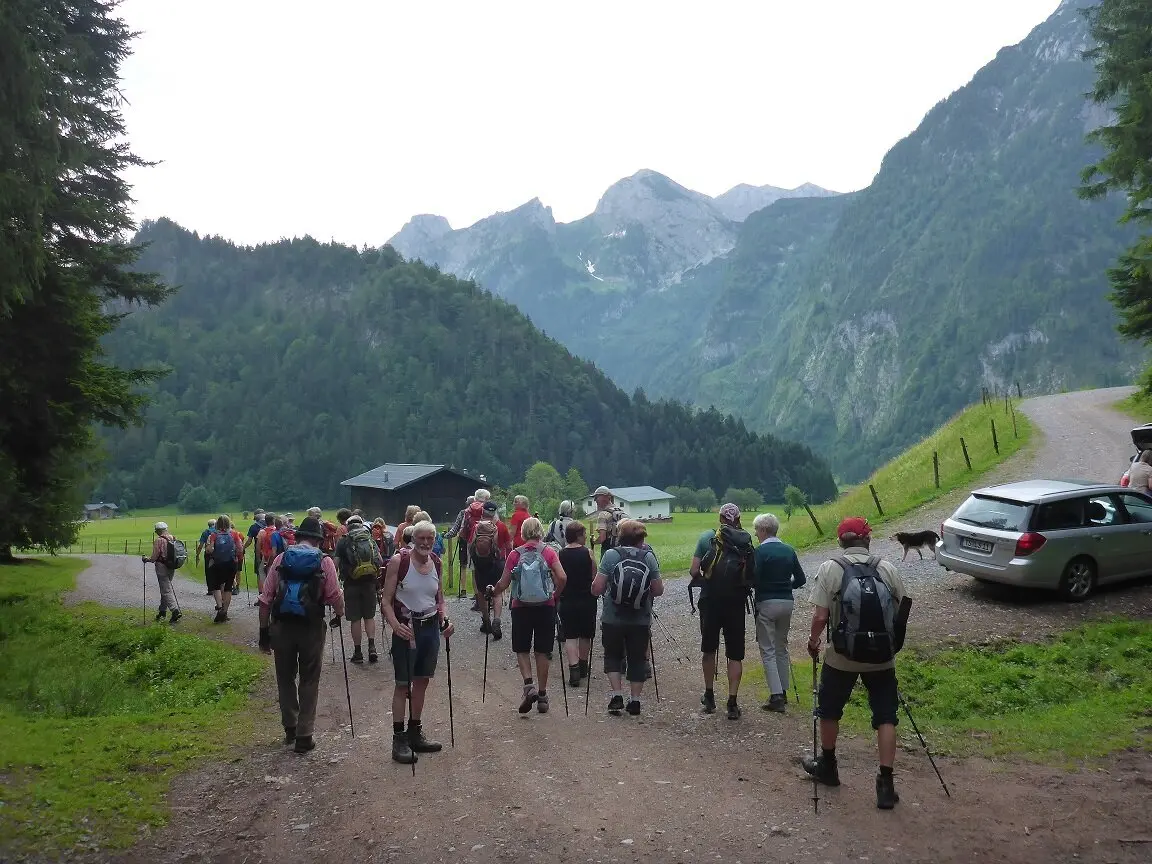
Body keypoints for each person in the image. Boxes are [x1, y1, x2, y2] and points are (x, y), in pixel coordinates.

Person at [804, 517, 909, 810]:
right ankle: (885, 784)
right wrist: (890, 645)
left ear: (840, 542)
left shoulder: (830, 568)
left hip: (841, 657)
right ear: (867, 540)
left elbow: (821, 617)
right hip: (881, 658)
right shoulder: (886, 568)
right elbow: (901, 610)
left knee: (829, 710)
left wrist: (813, 642)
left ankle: (828, 766)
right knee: (886, 716)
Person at [258, 516, 345, 754]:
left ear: (297, 537)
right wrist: (339, 614)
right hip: (311, 627)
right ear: (318, 539)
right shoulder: (324, 562)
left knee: (285, 677)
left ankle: (290, 727)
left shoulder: (281, 559)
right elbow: (334, 596)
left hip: (282, 626)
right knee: (309, 679)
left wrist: (264, 632)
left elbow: (266, 599)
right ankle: (305, 735)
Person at [380, 520, 456, 764]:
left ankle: (415, 732)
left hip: (430, 628)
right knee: (403, 685)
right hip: (407, 630)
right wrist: (395, 626)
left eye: (430, 539)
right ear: (413, 538)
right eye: (421, 538)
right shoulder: (399, 562)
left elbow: (439, 598)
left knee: (422, 682)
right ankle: (399, 740)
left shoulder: (436, 562)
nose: (425, 543)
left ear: (434, 540)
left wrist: (445, 621)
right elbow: (386, 601)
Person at [489, 517, 567, 714]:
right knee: (542, 651)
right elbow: (563, 577)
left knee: (522, 648)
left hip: (521, 606)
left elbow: (504, 583)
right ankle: (542, 695)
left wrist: (493, 590)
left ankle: (528, 685)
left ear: (523, 533)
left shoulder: (516, 554)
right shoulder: (549, 552)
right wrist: (555, 594)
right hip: (545, 606)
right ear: (541, 532)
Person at [689, 502, 754, 720]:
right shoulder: (746, 540)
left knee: (709, 649)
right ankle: (733, 701)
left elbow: (693, 570)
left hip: (711, 601)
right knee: (735, 654)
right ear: (738, 518)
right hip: (736, 603)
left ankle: (709, 695)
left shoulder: (708, 538)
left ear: (720, 518)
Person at [591, 519, 663, 715]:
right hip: (640, 618)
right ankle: (635, 700)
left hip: (612, 617)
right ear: (641, 538)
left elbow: (597, 588)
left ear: (619, 535)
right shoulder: (648, 557)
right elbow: (658, 590)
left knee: (613, 655)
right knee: (637, 658)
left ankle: (617, 695)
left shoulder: (611, 555)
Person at [752, 512, 806, 712]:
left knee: (768, 649)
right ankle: (783, 690)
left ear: (764, 530)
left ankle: (776, 696)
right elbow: (801, 579)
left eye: (757, 529)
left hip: (767, 601)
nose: (756, 534)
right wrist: (786, 586)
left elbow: (754, 579)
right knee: (782, 647)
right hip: (787, 602)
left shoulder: (760, 552)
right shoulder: (789, 550)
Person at [335, 514, 384, 664]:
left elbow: (335, 564)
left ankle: (358, 652)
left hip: (351, 583)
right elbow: (380, 561)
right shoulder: (369, 539)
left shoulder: (343, 541)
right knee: (369, 616)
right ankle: (372, 647)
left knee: (355, 619)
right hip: (369, 583)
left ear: (347, 526)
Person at [558, 520, 596, 687]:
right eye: (584, 534)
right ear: (579, 536)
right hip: (586, 598)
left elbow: (557, 576)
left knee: (570, 635)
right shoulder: (588, 553)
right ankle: (583, 665)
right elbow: (595, 574)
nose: (586, 537)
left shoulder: (560, 554)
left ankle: (573, 668)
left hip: (567, 598)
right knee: (585, 634)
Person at [470, 500, 511, 639]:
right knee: (497, 592)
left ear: (483, 512)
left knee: (481, 593)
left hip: (480, 565)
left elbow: (471, 545)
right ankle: (497, 620)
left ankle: (486, 621)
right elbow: (509, 546)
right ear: (495, 512)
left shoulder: (477, 527)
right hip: (497, 563)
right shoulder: (501, 526)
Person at [142, 521, 182, 624]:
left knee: (166, 590)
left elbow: (154, 557)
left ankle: (174, 610)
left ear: (158, 531)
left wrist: (147, 559)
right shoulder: (172, 537)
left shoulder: (158, 540)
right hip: (172, 566)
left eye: (156, 531)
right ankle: (162, 611)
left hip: (161, 567)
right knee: (166, 588)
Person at [207, 514, 244, 623]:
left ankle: (219, 607)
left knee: (216, 586)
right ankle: (225, 611)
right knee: (228, 587)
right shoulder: (234, 534)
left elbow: (209, 550)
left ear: (217, 523)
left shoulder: (213, 535)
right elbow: (240, 549)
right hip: (231, 563)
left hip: (217, 564)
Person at [445, 495, 477, 600]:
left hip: (463, 541)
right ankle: (476, 593)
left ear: (467, 503)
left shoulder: (463, 513)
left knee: (463, 565)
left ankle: (463, 591)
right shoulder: (481, 512)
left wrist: (445, 535)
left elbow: (455, 529)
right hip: (476, 541)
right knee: (474, 567)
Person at [591, 486, 625, 560]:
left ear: (604, 497)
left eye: (596, 497)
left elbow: (602, 538)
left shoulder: (603, 514)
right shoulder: (620, 511)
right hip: (623, 550)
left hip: (608, 551)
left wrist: (594, 541)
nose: (595, 500)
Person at [244, 510, 267, 594]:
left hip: (259, 553)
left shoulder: (254, 527)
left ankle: (261, 594)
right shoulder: (271, 526)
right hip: (271, 553)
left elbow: (249, 541)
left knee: (260, 573)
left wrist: (243, 548)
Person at [195, 519, 216, 595]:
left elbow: (200, 545)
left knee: (208, 571)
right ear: (214, 524)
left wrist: (197, 554)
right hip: (217, 553)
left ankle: (210, 589)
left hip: (208, 554)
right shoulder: (218, 531)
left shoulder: (205, 532)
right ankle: (218, 588)